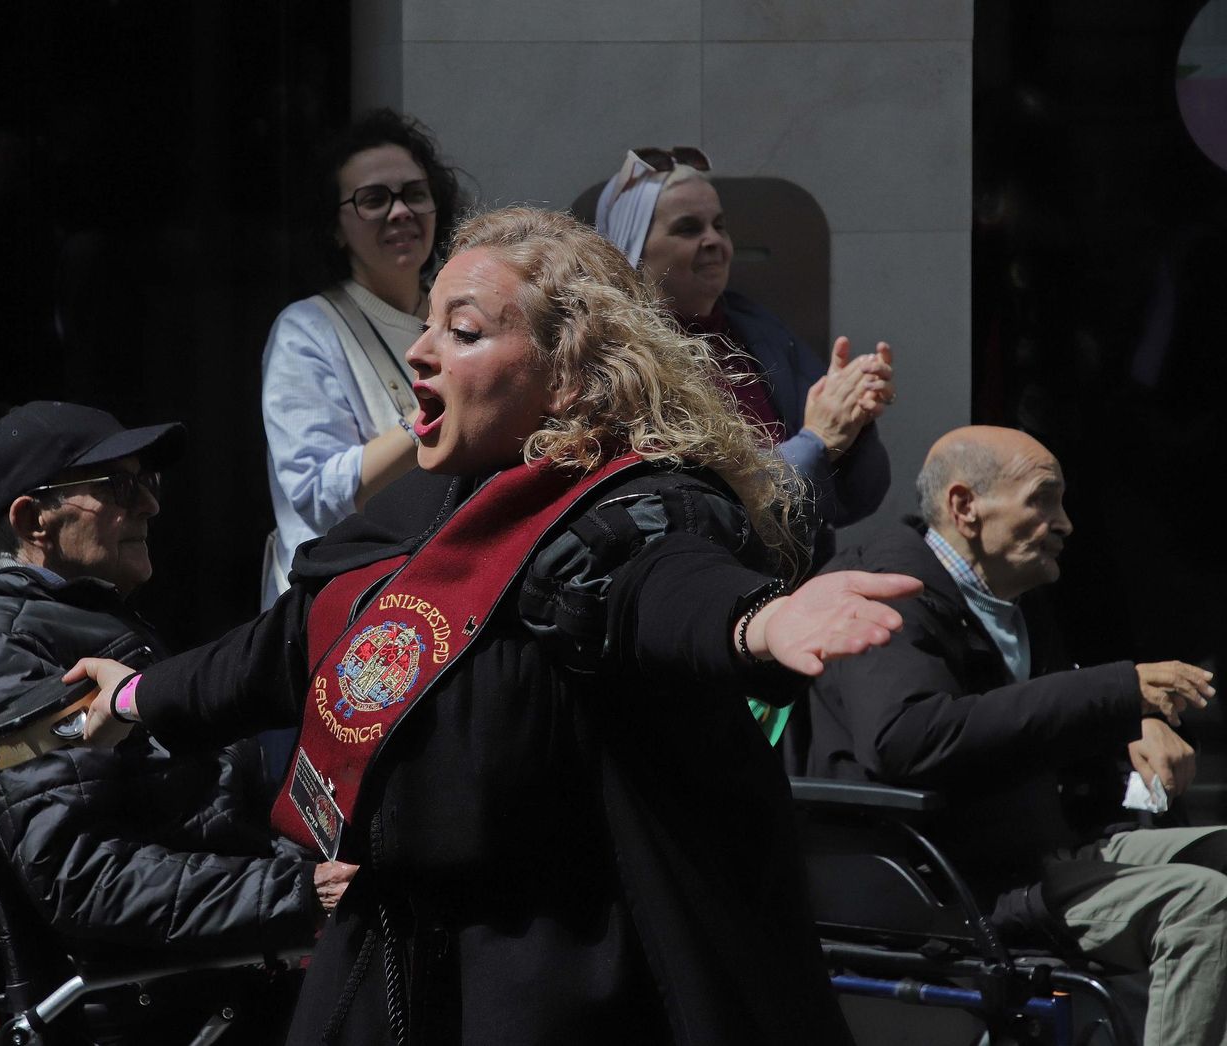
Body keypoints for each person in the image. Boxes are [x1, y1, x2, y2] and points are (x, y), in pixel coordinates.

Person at [67, 207, 921, 1045]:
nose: (420, 352)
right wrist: (138, 696)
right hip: (384, 956)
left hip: (554, 982)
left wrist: (757, 624)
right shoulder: (419, 503)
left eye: (464, 331)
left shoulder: (636, 505)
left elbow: (663, 592)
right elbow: (291, 643)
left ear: (570, 374)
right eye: (428, 324)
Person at [798, 424, 1222, 1046]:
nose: (1065, 523)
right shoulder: (887, 592)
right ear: (965, 506)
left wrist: (1130, 725)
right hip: (952, 882)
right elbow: (908, 740)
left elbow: (1032, 720)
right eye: (1042, 500)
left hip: (1039, 851)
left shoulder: (1012, 599)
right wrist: (1113, 693)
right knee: (1205, 904)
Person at [0, 401, 355, 1043]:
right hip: (183, 998)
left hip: (242, 953)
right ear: (32, 520)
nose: (150, 505)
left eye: (146, 481)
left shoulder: (82, 617)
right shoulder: (8, 651)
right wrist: (303, 891)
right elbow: (82, 876)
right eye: (117, 486)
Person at [591, 148, 895, 558]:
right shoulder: (621, 365)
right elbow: (704, 512)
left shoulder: (759, 329)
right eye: (688, 228)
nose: (714, 241)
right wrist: (816, 441)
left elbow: (849, 500)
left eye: (719, 226)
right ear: (632, 252)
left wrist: (851, 417)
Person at [260, 109, 462, 608]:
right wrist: (428, 418)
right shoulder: (307, 329)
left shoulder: (460, 312)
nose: (401, 211)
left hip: (446, 586)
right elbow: (318, 497)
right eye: (374, 200)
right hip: (343, 603)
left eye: (415, 193)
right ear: (334, 227)